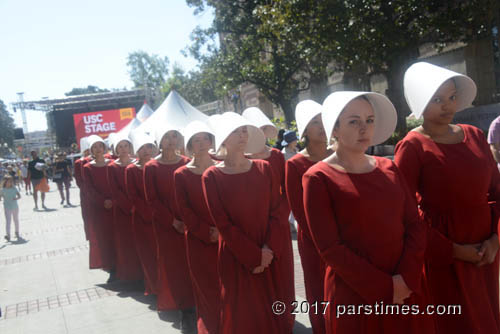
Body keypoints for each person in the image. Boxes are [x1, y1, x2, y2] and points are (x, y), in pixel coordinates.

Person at [303, 91, 433, 333]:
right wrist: (385, 286)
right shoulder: (318, 177)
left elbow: (414, 224)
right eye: (354, 121)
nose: (364, 128)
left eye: (369, 120)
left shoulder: (389, 167)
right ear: (335, 128)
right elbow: (330, 248)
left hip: (406, 286)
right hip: (356, 293)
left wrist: (406, 277)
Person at [395, 62, 500, 333]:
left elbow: (497, 192)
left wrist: (495, 239)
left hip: (485, 251)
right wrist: (452, 250)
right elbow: (404, 210)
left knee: (486, 318)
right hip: (443, 252)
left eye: (452, 97)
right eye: (437, 99)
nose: (447, 106)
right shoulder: (412, 146)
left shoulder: (475, 135)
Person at [202, 112, 288, 334]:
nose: (241, 135)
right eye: (234, 131)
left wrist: (268, 250)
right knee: (240, 316)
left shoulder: (264, 168)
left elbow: (277, 212)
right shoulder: (211, 176)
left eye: (243, 131)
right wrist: (253, 255)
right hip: (236, 255)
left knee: (272, 311)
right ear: (223, 138)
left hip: (268, 252)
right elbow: (222, 223)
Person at [243, 107, 295, 333]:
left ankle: (283, 321)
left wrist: (277, 223)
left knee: (281, 275)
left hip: (277, 227)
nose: (261, 133)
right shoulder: (239, 160)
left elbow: (287, 194)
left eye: (264, 129)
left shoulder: (276, 157)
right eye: (256, 129)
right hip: (250, 229)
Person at [285, 100, 331, 334]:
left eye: (324, 119)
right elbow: (299, 210)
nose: (321, 126)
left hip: (348, 235)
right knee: (318, 288)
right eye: (314, 122)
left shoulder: (341, 154)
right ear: (304, 130)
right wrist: (325, 241)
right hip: (314, 241)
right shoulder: (295, 164)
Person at [144, 125, 196, 332]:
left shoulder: (187, 163)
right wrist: (172, 221)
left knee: (194, 264)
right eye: (166, 136)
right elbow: (152, 200)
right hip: (167, 227)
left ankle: (199, 304)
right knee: (175, 268)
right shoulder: (151, 167)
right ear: (159, 140)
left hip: (191, 224)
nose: (171, 140)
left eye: (175, 135)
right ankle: (186, 310)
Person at [174, 121, 220, 334]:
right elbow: (185, 211)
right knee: (207, 289)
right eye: (197, 140)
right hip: (198, 240)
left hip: (226, 237)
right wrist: (205, 231)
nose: (202, 144)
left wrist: (222, 230)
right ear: (190, 145)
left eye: (205, 138)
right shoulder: (181, 174)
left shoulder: (222, 165)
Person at [125, 132, 159, 297]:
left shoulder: (157, 166)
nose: (146, 151)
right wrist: (148, 213)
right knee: (148, 255)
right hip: (142, 219)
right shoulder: (131, 169)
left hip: (160, 219)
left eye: (149, 147)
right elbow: (133, 196)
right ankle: (154, 288)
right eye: (142, 148)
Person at [108, 135, 143, 283]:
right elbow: (115, 190)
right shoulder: (112, 167)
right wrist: (129, 207)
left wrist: (138, 206)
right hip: (123, 211)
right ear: (116, 149)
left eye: (126, 146)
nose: (123, 149)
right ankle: (131, 276)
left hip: (139, 209)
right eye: (120, 146)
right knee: (126, 243)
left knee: (140, 242)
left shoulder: (137, 164)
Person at [83, 135, 116, 283]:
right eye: (94, 146)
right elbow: (89, 189)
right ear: (91, 149)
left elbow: (118, 184)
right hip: (100, 209)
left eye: (100, 146)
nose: (98, 149)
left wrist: (114, 200)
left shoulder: (113, 164)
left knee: (118, 238)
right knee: (105, 239)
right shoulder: (88, 168)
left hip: (116, 207)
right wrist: (103, 201)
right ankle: (111, 268)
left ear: (104, 147)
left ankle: (122, 266)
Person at [74, 137, 93, 241]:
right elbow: (79, 182)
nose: (88, 152)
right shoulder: (79, 162)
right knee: (88, 216)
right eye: (86, 151)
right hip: (86, 195)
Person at [1, 176, 21, 242]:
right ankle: (8, 235)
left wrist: (16, 198)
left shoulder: (14, 188)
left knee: (16, 220)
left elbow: (19, 196)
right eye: (9, 181)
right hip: (7, 207)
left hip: (15, 206)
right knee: (8, 221)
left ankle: (17, 232)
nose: (10, 183)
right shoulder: (2, 190)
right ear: (5, 182)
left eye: (11, 181)